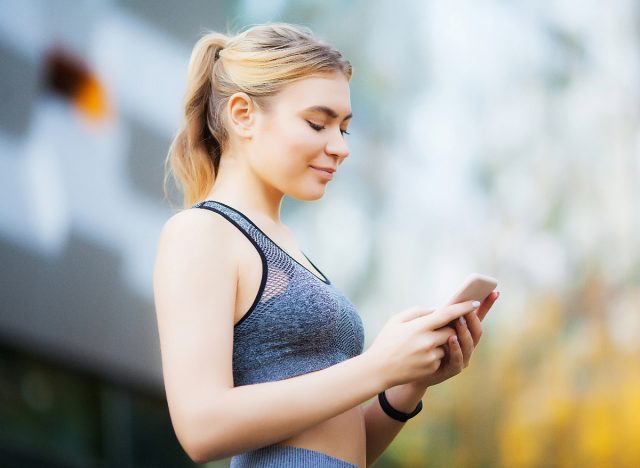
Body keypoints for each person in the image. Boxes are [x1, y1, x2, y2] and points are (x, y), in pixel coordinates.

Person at [153, 22, 499, 468]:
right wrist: (378, 365)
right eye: (318, 123)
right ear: (243, 115)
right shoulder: (201, 232)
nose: (339, 147)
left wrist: (406, 386)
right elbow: (201, 426)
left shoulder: (290, 248)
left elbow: (338, 448)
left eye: (345, 129)